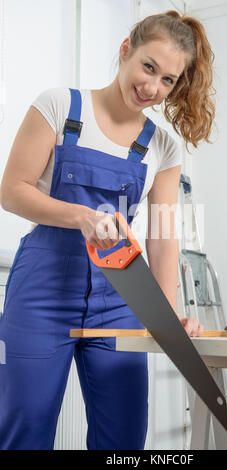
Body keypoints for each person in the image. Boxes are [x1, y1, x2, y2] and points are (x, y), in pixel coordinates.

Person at [0, 10, 215, 450]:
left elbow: (163, 234)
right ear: (125, 51)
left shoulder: (164, 145)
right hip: (42, 290)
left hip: (119, 296)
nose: (152, 88)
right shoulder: (59, 105)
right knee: (27, 426)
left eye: (168, 81)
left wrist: (167, 312)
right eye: (148, 67)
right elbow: (12, 191)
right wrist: (82, 217)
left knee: (124, 436)